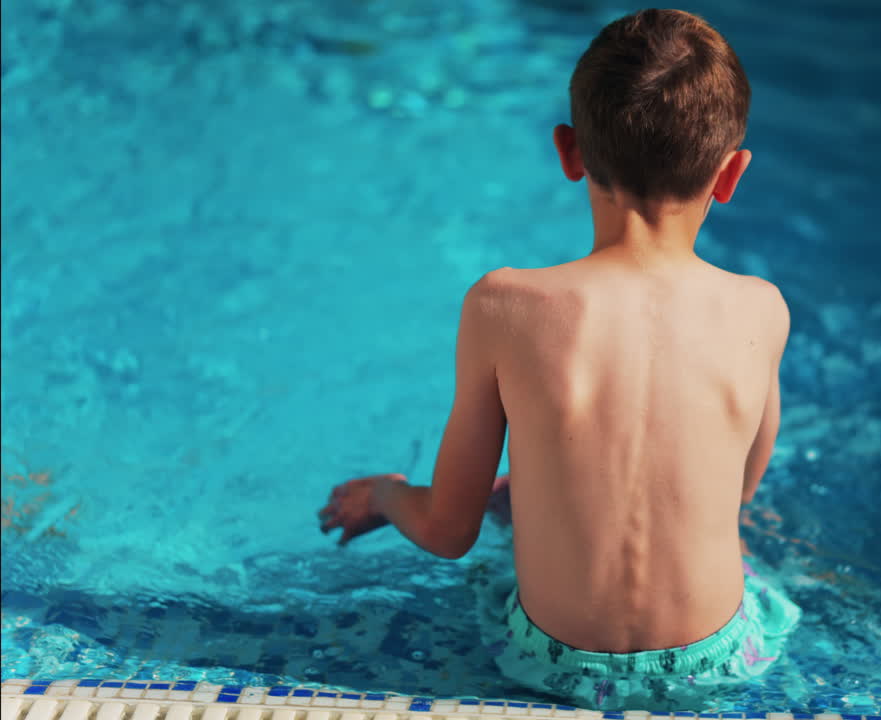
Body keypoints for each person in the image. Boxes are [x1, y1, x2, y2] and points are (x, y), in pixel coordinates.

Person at [318, 8, 799, 710]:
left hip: (550, 663)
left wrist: (388, 494)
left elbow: (450, 532)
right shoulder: (762, 308)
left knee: (494, 551)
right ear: (730, 175)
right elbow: (739, 493)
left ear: (569, 152)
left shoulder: (503, 306)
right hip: (718, 659)